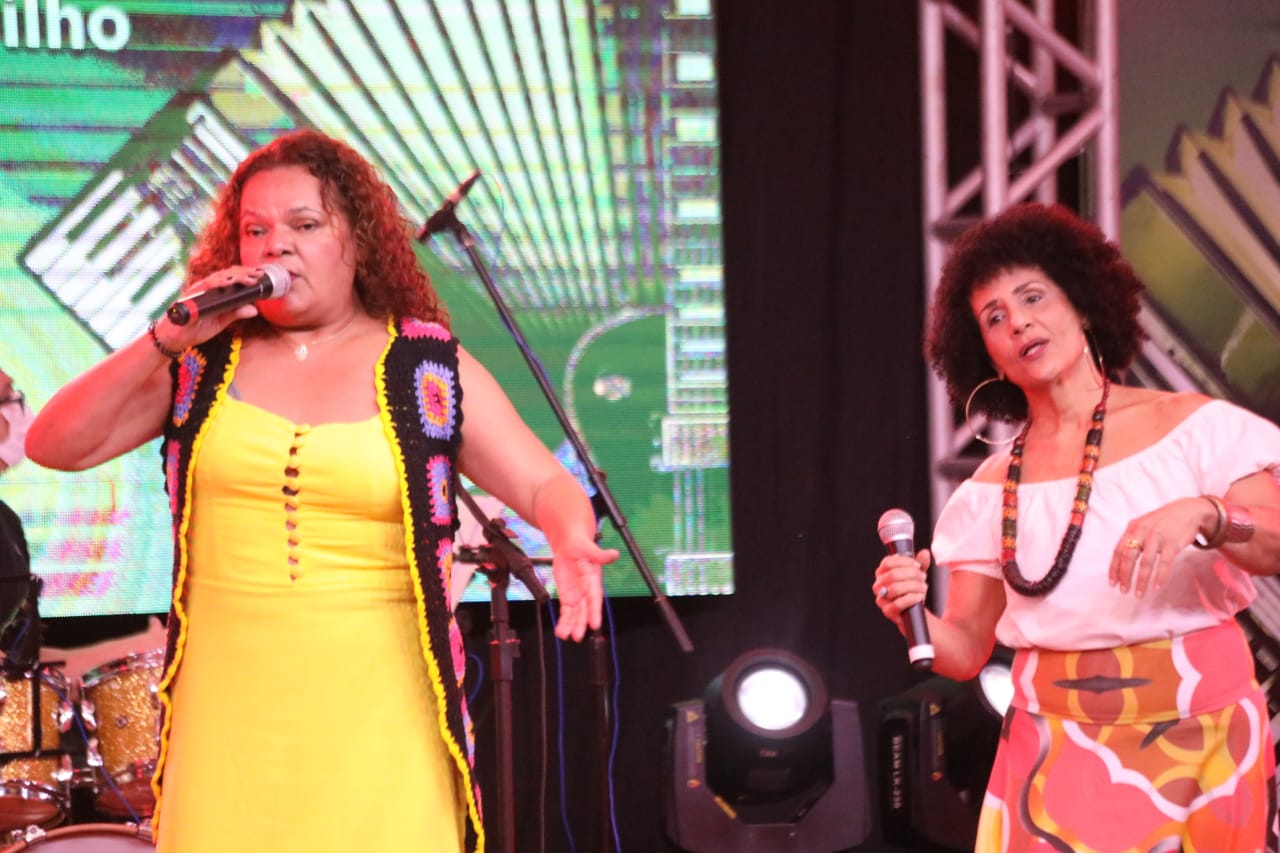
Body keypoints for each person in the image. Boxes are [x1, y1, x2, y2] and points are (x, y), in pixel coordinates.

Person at [25, 129, 618, 853]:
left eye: (304, 225)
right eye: (255, 230)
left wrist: (569, 535)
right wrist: (165, 337)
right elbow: (53, 444)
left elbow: (543, 481)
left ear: (357, 242)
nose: (276, 245)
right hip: (227, 714)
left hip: (380, 711)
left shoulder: (423, 364)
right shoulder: (200, 363)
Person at [872, 202, 1280, 851]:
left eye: (1033, 297)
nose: (1018, 321)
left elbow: (1275, 544)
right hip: (1055, 747)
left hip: (1205, 735)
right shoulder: (989, 491)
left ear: (1084, 305)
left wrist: (1207, 513)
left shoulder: (1195, 428)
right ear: (989, 357)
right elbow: (965, 652)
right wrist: (910, 611)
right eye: (994, 317)